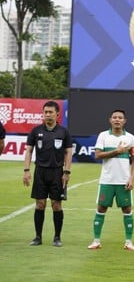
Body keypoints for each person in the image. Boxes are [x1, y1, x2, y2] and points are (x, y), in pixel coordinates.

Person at [22, 100, 73, 247]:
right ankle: (38, 237)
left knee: (56, 205)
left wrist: (67, 171)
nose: (48, 115)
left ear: (58, 114)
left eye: (51, 112)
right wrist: (26, 170)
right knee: (40, 204)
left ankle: (57, 237)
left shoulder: (64, 132)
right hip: (40, 172)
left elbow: (68, 152)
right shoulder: (35, 130)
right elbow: (29, 151)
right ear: (43, 114)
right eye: (46, 112)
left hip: (57, 172)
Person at [88, 109, 134, 251]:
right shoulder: (103, 136)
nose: (117, 120)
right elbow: (97, 155)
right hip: (107, 180)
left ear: (124, 121)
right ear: (110, 120)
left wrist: (132, 179)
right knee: (101, 208)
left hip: (123, 181)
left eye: (120, 117)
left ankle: (129, 242)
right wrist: (116, 151)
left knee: (127, 209)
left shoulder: (131, 138)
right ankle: (96, 241)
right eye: (115, 117)